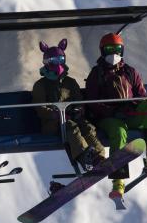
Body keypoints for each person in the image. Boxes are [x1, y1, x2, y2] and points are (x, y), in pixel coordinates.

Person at [85, 33, 147, 200]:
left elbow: (142, 96)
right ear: (102, 51)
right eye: (109, 50)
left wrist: (132, 107)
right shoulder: (97, 74)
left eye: (117, 49)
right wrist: (112, 112)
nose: (113, 54)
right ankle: (118, 181)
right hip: (108, 118)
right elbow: (92, 102)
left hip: (129, 114)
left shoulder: (130, 72)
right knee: (119, 131)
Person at [31, 39, 106, 170]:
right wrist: (57, 115)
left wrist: (79, 109)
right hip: (52, 124)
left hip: (73, 118)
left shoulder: (70, 82)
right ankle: (85, 156)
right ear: (47, 63)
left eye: (60, 60)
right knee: (71, 127)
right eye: (54, 61)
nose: (58, 64)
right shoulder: (40, 85)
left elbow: (79, 99)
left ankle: (99, 156)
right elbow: (40, 108)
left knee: (87, 127)